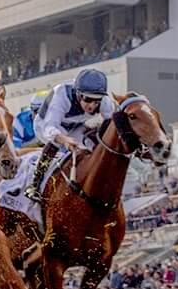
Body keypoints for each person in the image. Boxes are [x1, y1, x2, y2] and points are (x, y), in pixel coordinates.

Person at [27, 67, 116, 200]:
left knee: (94, 144)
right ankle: (35, 183)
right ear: (78, 93)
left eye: (96, 101)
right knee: (55, 143)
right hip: (46, 125)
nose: (91, 105)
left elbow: (113, 124)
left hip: (76, 126)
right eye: (87, 99)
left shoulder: (105, 101)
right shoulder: (61, 95)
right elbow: (50, 127)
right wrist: (64, 140)